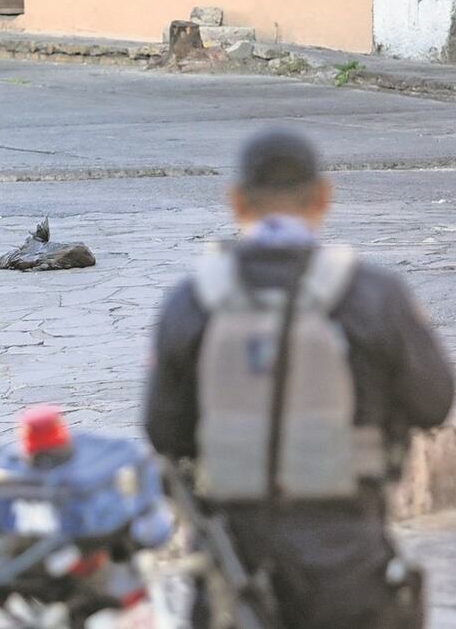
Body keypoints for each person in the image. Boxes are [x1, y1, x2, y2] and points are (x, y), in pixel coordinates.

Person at [145, 129, 453, 629]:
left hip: (235, 571)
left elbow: (164, 430)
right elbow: (434, 401)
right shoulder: (373, 296)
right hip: (349, 569)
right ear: (323, 197)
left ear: (236, 200)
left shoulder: (192, 302)